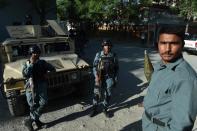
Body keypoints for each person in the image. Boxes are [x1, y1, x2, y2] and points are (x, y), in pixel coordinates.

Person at [142, 24, 197, 131]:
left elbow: (181, 126)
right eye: (163, 43)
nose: (167, 49)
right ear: (157, 44)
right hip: (148, 123)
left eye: (174, 43)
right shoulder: (160, 65)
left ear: (182, 45)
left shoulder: (185, 78)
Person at [22, 45, 56, 131]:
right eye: (34, 53)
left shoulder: (42, 62)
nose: (36, 54)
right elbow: (25, 74)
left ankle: (30, 120)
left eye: (37, 53)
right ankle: (36, 122)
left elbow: (53, 69)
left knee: (44, 102)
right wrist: (31, 64)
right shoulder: (26, 63)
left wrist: (47, 74)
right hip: (31, 87)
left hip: (41, 85)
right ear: (31, 53)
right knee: (33, 105)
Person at [89, 39, 119, 118]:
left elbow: (116, 68)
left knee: (108, 94)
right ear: (103, 46)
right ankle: (94, 109)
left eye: (109, 45)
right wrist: (96, 76)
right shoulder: (98, 54)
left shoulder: (113, 55)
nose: (107, 47)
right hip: (99, 77)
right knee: (96, 94)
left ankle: (105, 108)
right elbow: (94, 66)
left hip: (109, 77)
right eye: (106, 45)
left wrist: (115, 79)